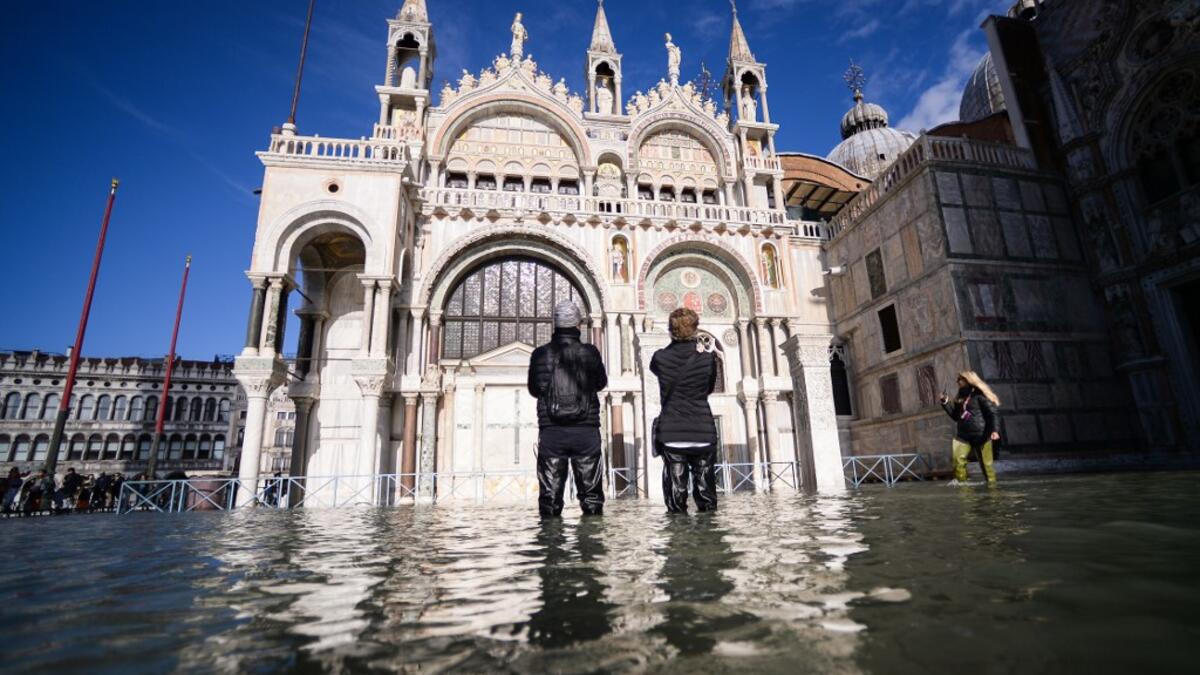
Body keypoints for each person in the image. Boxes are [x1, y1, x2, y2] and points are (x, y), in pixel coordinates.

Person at [527, 301, 608, 518]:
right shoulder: (590, 352)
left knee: (550, 499)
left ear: (555, 324)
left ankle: (552, 547)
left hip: (552, 433)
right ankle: (590, 546)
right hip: (586, 432)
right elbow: (601, 383)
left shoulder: (540, 354)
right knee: (591, 497)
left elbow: (534, 390)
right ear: (578, 325)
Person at [650, 308, 721, 514]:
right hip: (702, 432)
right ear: (696, 329)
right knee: (706, 493)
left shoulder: (660, 358)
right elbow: (707, 389)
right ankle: (707, 537)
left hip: (672, 433)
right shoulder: (708, 359)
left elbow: (655, 368)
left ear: (670, 330)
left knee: (675, 494)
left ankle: (678, 537)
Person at [940, 370, 1001, 484]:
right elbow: (955, 416)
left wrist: (994, 430)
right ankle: (963, 489)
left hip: (982, 434)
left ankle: (993, 491)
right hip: (963, 435)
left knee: (987, 467)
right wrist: (946, 403)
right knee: (957, 462)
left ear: (968, 380)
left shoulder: (979, 395)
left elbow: (992, 413)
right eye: (958, 379)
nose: (957, 381)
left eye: (960, 379)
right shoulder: (960, 397)